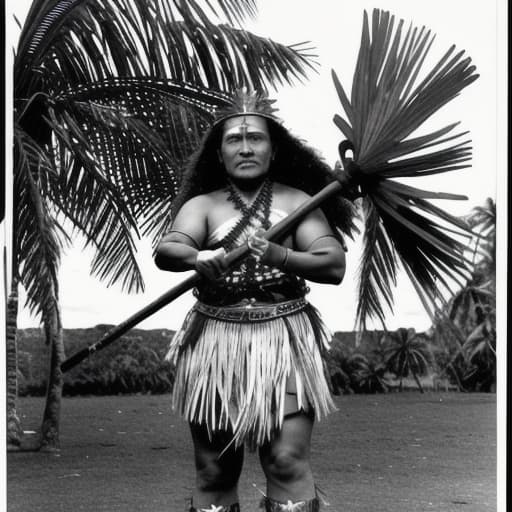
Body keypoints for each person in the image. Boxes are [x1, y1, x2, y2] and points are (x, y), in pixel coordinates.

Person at [155, 90, 354, 512]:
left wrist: (279, 254)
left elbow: (332, 263)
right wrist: (197, 255)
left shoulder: (298, 203)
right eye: (233, 139)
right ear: (220, 151)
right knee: (214, 470)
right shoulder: (202, 206)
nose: (245, 147)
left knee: (285, 461)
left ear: (274, 148)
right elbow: (167, 249)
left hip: (284, 341)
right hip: (215, 343)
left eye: (256, 139)